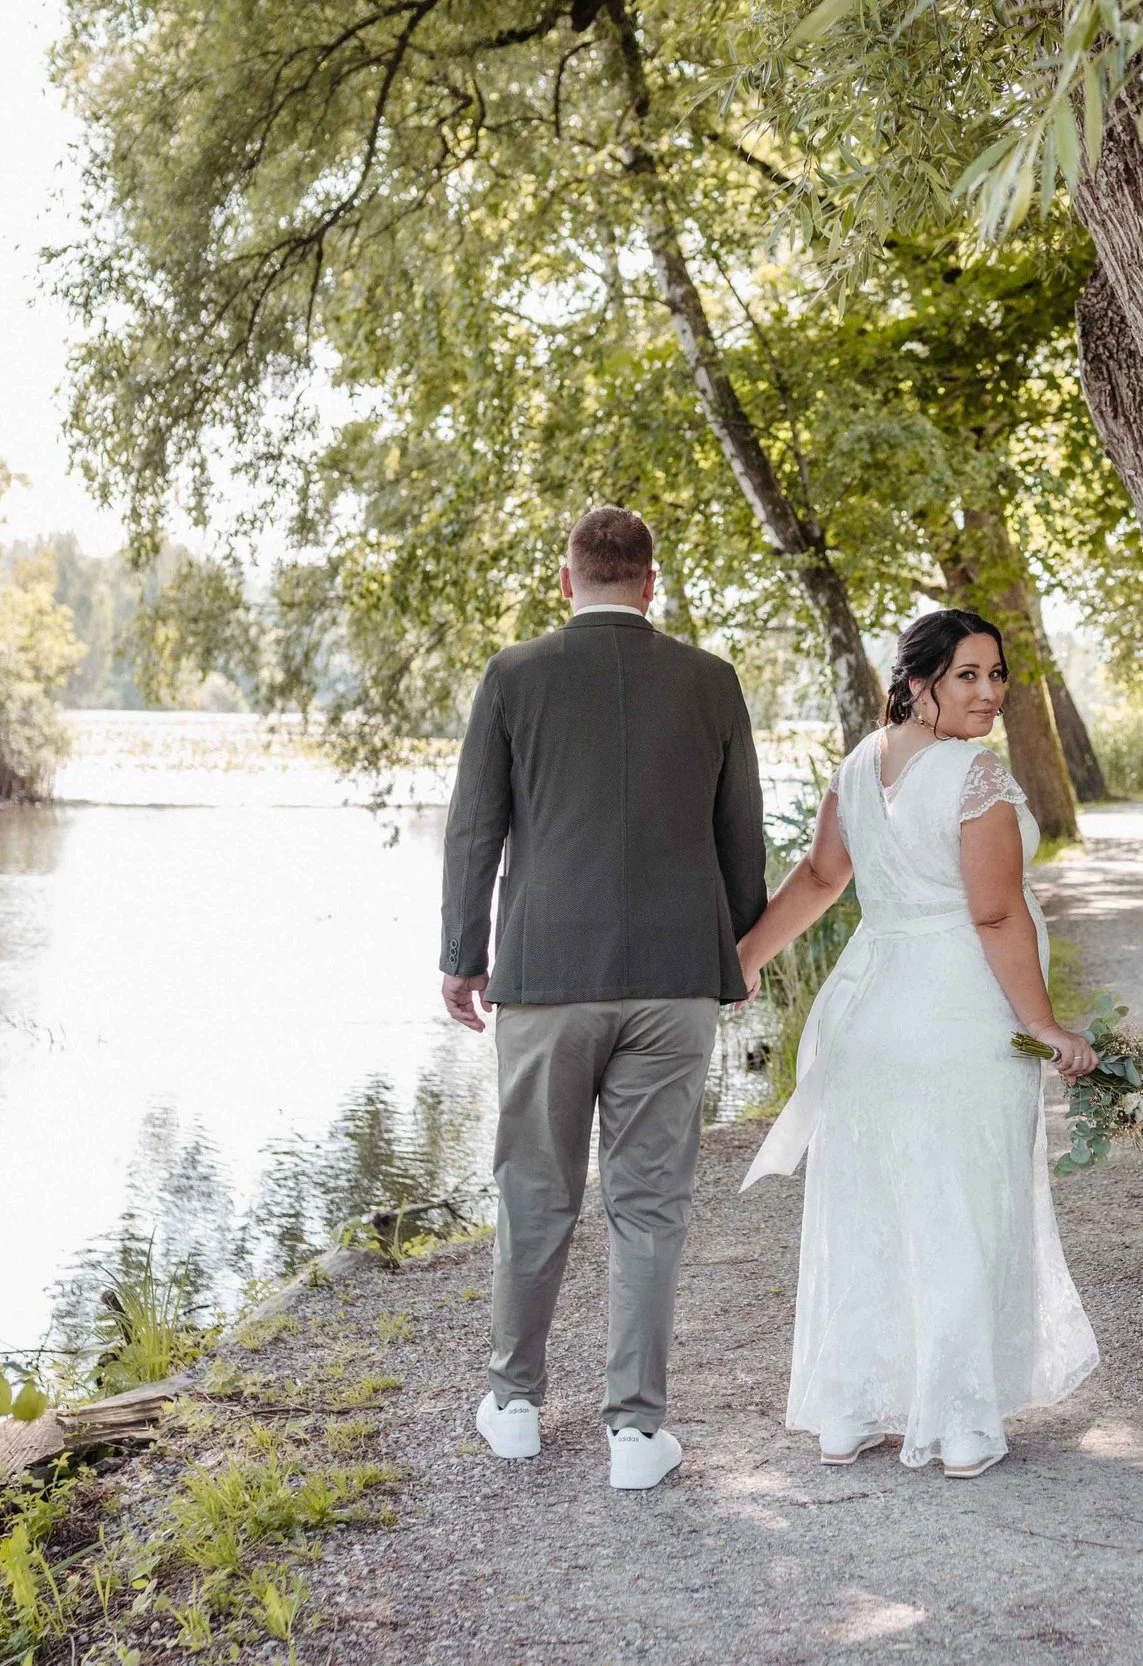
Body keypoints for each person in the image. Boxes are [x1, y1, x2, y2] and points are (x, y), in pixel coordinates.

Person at [438, 505, 766, 1491]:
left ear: (566, 580)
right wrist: (738, 953)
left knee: (535, 1193)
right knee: (649, 1205)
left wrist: (462, 955)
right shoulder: (711, 682)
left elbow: (474, 832)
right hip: (675, 983)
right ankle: (635, 1432)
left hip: (547, 979)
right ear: (651, 583)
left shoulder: (513, 676)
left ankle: (514, 1404)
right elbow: (739, 837)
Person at [735, 609, 1100, 1478]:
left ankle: (851, 1412)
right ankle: (962, 1424)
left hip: (868, 1018)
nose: (989, 693)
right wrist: (1043, 1025)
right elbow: (995, 911)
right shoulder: (972, 776)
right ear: (917, 681)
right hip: (957, 1017)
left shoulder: (860, 765)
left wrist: (748, 957)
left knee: (875, 1209)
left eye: (997, 675)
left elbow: (824, 877)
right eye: (966, 675)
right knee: (958, 1212)